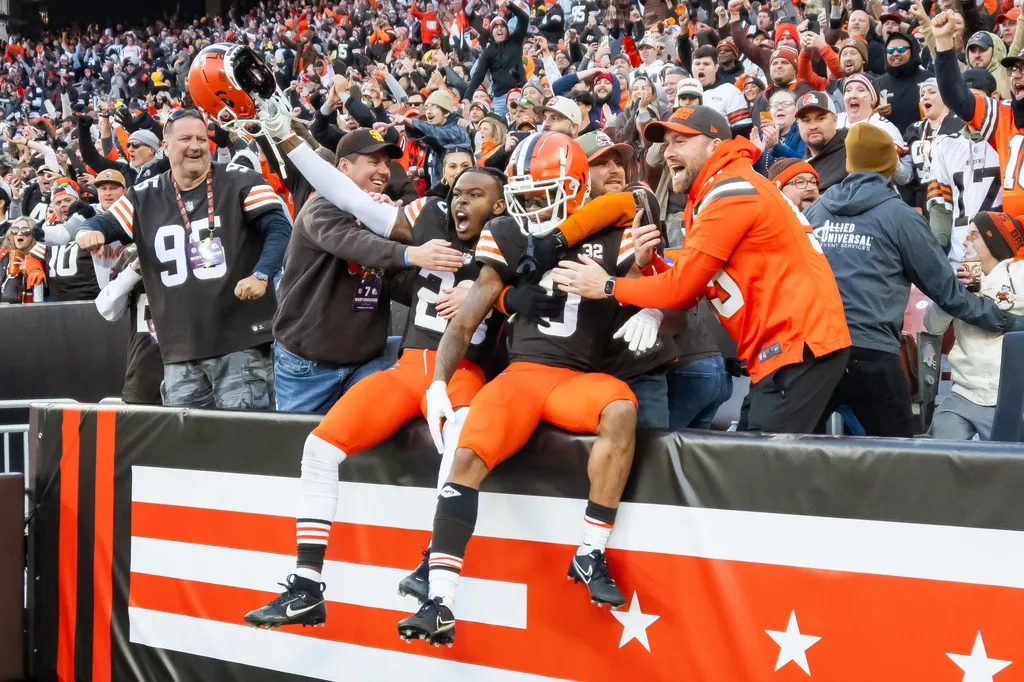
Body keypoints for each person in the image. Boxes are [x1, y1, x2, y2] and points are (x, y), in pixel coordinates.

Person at [396, 132, 646, 646]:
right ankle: (439, 598)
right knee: (466, 456)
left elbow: (645, 233)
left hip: (576, 376)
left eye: (544, 195)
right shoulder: (509, 233)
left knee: (621, 407)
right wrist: (441, 380)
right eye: (526, 196)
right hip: (523, 375)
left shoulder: (618, 227)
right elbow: (464, 323)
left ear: (577, 189)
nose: (534, 207)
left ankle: (590, 551)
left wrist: (653, 305)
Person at [243, 167, 510, 629]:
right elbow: (354, 200)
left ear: (501, 205)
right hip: (408, 369)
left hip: (463, 373)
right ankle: (306, 586)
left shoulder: (511, 243)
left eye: (476, 195)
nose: (462, 203)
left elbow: (535, 293)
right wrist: (287, 140)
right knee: (318, 447)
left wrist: (490, 291)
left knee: (461, 446)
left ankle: (439, 589)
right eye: (457, 194)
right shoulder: (427, 225)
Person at [553, 106, 852, 434]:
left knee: (764, 473)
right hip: (787, 350)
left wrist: (608, 286)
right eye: (666, 144)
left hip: (798, 347)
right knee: (758, 463)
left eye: (680, 141)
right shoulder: (722, 188)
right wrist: (650, 261)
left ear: (714, 145)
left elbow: (681, 289)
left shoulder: (730, 191)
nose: (668, 152)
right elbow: (692, 278)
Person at [803, 124, 1024, 436]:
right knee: (904, 462)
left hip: (816, 351)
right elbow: (950, 293)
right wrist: (1009, 323)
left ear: (848, 162)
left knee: (786, 452)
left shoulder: (816, 212)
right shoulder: (901, 217)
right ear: (891, 166)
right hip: (871, 351)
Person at [75, 109, 292, 410]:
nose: (195, 146)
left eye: (201, 139)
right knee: (189, 452)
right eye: (185, 138)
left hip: (240, 344)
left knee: (245, 445)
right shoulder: (143, 195)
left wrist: (262, 273)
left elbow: (279, 228)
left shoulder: (240, 180)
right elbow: (102, 224)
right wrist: (88, 230)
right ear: (165, 146)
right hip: (179, 350)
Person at [270, 129, 465, 414]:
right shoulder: (322, 205)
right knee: (300, 446)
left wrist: (461, 292)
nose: (384, 171)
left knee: (364, 445)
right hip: (308, 366)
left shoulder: (379, 213)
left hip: (366, 360)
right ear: (344, 167)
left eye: (387, 164)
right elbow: (353, 243)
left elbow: (398, 284)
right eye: (374, 162)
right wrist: (409, 252)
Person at [925, 212, 1024, 440]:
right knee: (943, 454)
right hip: (963, 395)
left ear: (993, 242)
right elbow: (932, 326)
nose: (966, 241)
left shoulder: (1018, 274)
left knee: (1008, 468)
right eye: (966, 235)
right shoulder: (957, 281)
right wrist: (952, 294)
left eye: (975, 235)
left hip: (1011, 397)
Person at [933, 10, 1024, 218]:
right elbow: (957, 97)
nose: (1017, 75)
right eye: (1015, 69)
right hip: (1013, 243)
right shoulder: (1005, 115)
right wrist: (944, 42)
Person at [926, 69, 1003, 261]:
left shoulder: (1009, 139)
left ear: (994, 97)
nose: (967, 108)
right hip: (959, 256)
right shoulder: (944, 145)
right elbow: (941, 207)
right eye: (962, 101)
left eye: (974, 99)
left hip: (1003, 256)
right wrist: (936, 252)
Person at [94, 244, 163, 405]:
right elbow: (107, 309)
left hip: (194, 367)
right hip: (146, 371)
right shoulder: (133, 253)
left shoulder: (200, 242)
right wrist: (133, 271)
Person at [463, 0, 531, 117]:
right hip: (500, 98)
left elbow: (524, 18)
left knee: (523, 122)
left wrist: (509, 5)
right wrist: (467, 98)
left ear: (507, 30)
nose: (499, 29)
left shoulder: (515, 41)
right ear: (492, 32)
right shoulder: (488, 52)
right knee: (500, 128)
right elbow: (478, 76)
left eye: (502, 26)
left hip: (519, 93)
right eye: (496, 27)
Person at [796, 91, 849, 192]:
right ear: (798, 124)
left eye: (820, 119)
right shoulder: (802, 165)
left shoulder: (854, 150)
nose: (813, 126)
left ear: (835, 119)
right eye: (806, 121)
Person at [0, 218, 46, 303]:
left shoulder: (39, 258)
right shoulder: (3, 256)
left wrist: (29, 273)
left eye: (25, 230)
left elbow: (47, 293)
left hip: (25, 311)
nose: (19, 233)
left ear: (33, 234)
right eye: (15, 229)